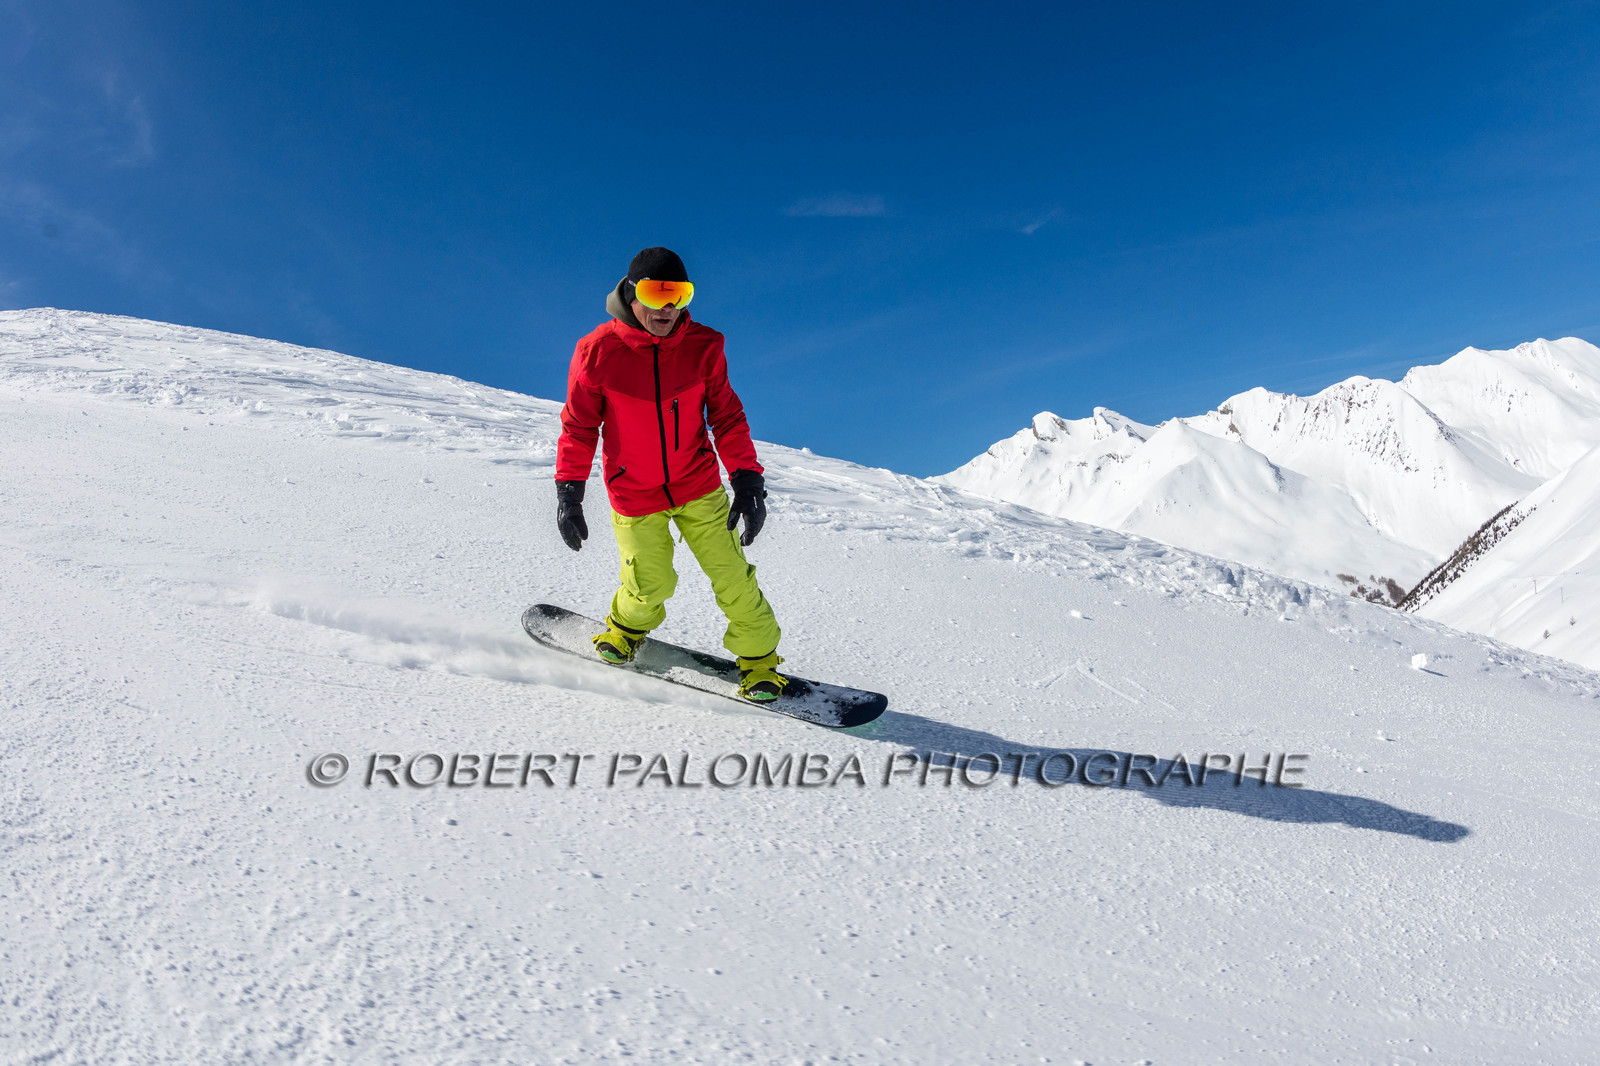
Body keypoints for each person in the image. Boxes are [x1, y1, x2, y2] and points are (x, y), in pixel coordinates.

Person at [553, 247, 786, 701]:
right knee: (649, 582)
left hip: (698, 484)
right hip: (634, 491)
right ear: (631, 294)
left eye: (679, 295)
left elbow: (727, 417)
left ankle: (759, 662)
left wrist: (747, 479)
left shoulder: (704, 346)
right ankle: (625, 629)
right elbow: (579, 427)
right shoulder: (597, 352)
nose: (667, 308)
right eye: (656, 294)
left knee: (734, 578)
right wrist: (569, 493)